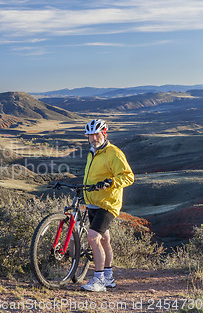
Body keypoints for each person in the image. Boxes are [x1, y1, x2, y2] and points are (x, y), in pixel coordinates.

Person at [81, 119, 134, 292]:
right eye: (91, 135)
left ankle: (98, 280)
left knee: (93, 238)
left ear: (104, 134)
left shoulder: (113, 152)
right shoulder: (92, 152)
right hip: (93, 202)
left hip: (108, 203)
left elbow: (128, 176)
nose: (94, 138)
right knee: (104, 240)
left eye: (97, 134)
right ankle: (109, 278)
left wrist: (110, 182)